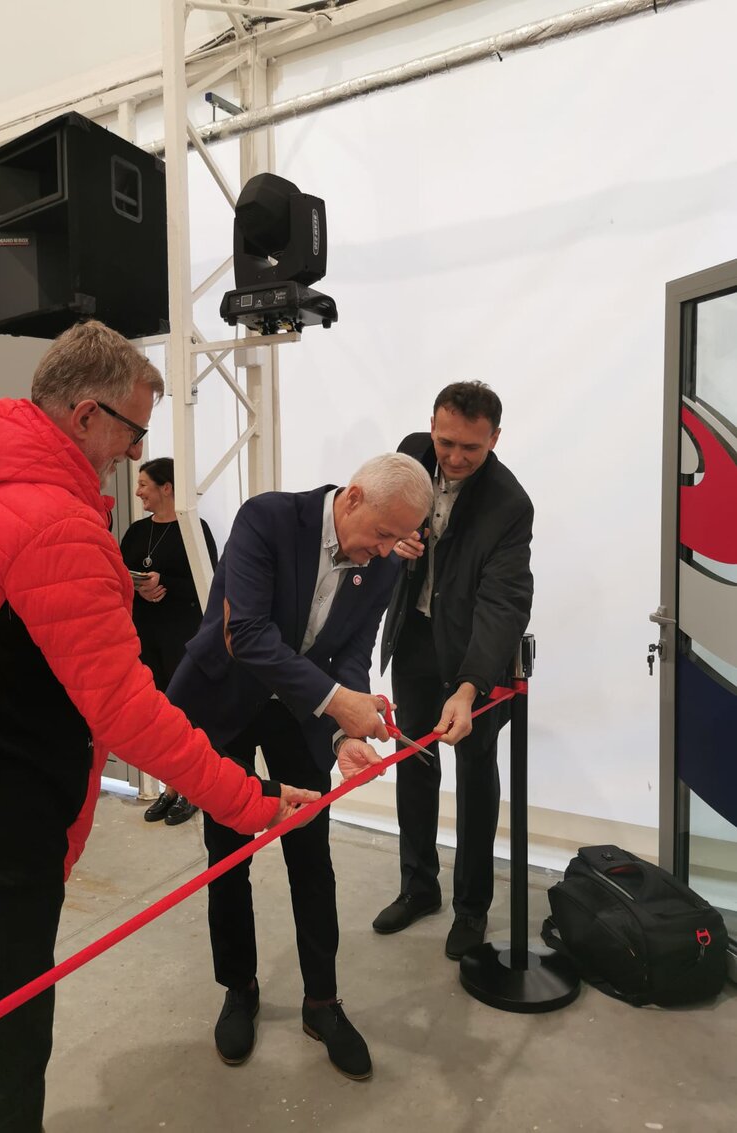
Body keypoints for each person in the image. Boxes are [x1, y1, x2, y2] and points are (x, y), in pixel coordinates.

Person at [0, 319, 318, 1133]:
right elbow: (126, 710)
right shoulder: (53, 520)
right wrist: (251, 800)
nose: (135, 451)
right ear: (86, 414)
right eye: (132, 429)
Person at [168, 453, 433, 1081]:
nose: (386, 550)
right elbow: (248, 635)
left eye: (398, 539)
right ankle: (239, 987)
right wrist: (339, 703)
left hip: (301, 712)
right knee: (227, 852)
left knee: (312, 856)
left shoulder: (384, 563)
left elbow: (353, 652)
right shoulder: (266, 519)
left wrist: (344, 733)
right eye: (383, 533)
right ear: (354, 497)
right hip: (227, 700)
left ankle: (322, 1001)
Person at [372, 381, 533, 960]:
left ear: (495, 438)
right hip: (415, 639)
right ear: (431, 427)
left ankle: (471, 909)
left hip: (474, 657)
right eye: (446, 443)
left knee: (475, 776)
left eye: (471, 447)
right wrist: (394, 545)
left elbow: (504, 603)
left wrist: (470, 687)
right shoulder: (410, 453)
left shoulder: (509, 504)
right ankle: (418, 886)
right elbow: (372, 521)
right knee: (414, 762)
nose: (455, 457)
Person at [120, 457, 218, 827]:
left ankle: (193, 790)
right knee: (159, 715)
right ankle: (171, 787)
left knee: (187, 716)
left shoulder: (194, 529)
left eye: (144, 484)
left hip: (184, 636)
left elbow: (209, 583)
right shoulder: (136, 532)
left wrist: (165, 584)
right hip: (147, 637)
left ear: (167, 488)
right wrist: (139, 588)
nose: (138, 492)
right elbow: (117, 574)